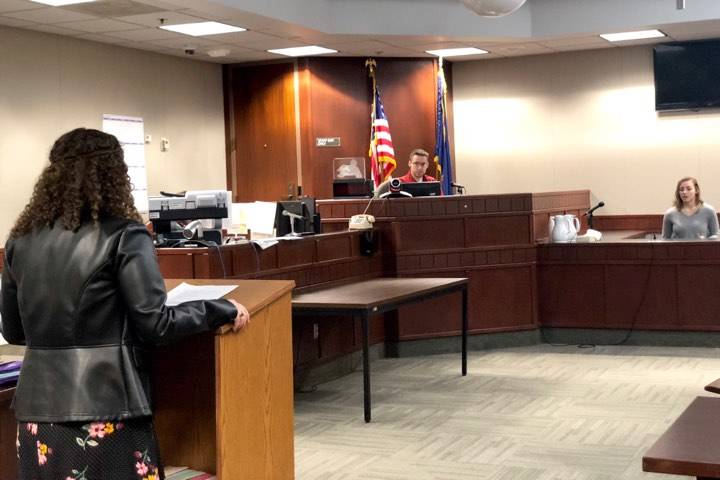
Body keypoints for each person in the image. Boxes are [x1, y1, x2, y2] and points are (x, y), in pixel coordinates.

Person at [0, 128, 250, 480]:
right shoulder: (125, 236)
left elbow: (13, 330)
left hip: (37, 413)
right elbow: (156, 323)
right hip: (106, 407)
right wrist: (218, 309)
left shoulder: (20, 241)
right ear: (114, 175)